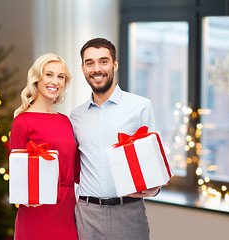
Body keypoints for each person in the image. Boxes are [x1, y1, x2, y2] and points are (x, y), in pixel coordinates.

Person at [70, 37, 163, 240]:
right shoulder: (75, 117)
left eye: (103, 61)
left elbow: (155, 161)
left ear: (115, 64)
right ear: (83, 68)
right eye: (90, 63)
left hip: (128, 213)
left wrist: (154, 188)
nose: (97, 68)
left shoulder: (140, 107)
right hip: (87, 215)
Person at [9, 53, 78, 240]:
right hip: (36, 211)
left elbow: (77, 169)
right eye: (49, 74)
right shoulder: (22, 122)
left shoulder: (65, 121)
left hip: (68, 211)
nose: (55, 81)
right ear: (37, 78)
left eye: (60, 76)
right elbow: (17, 173)